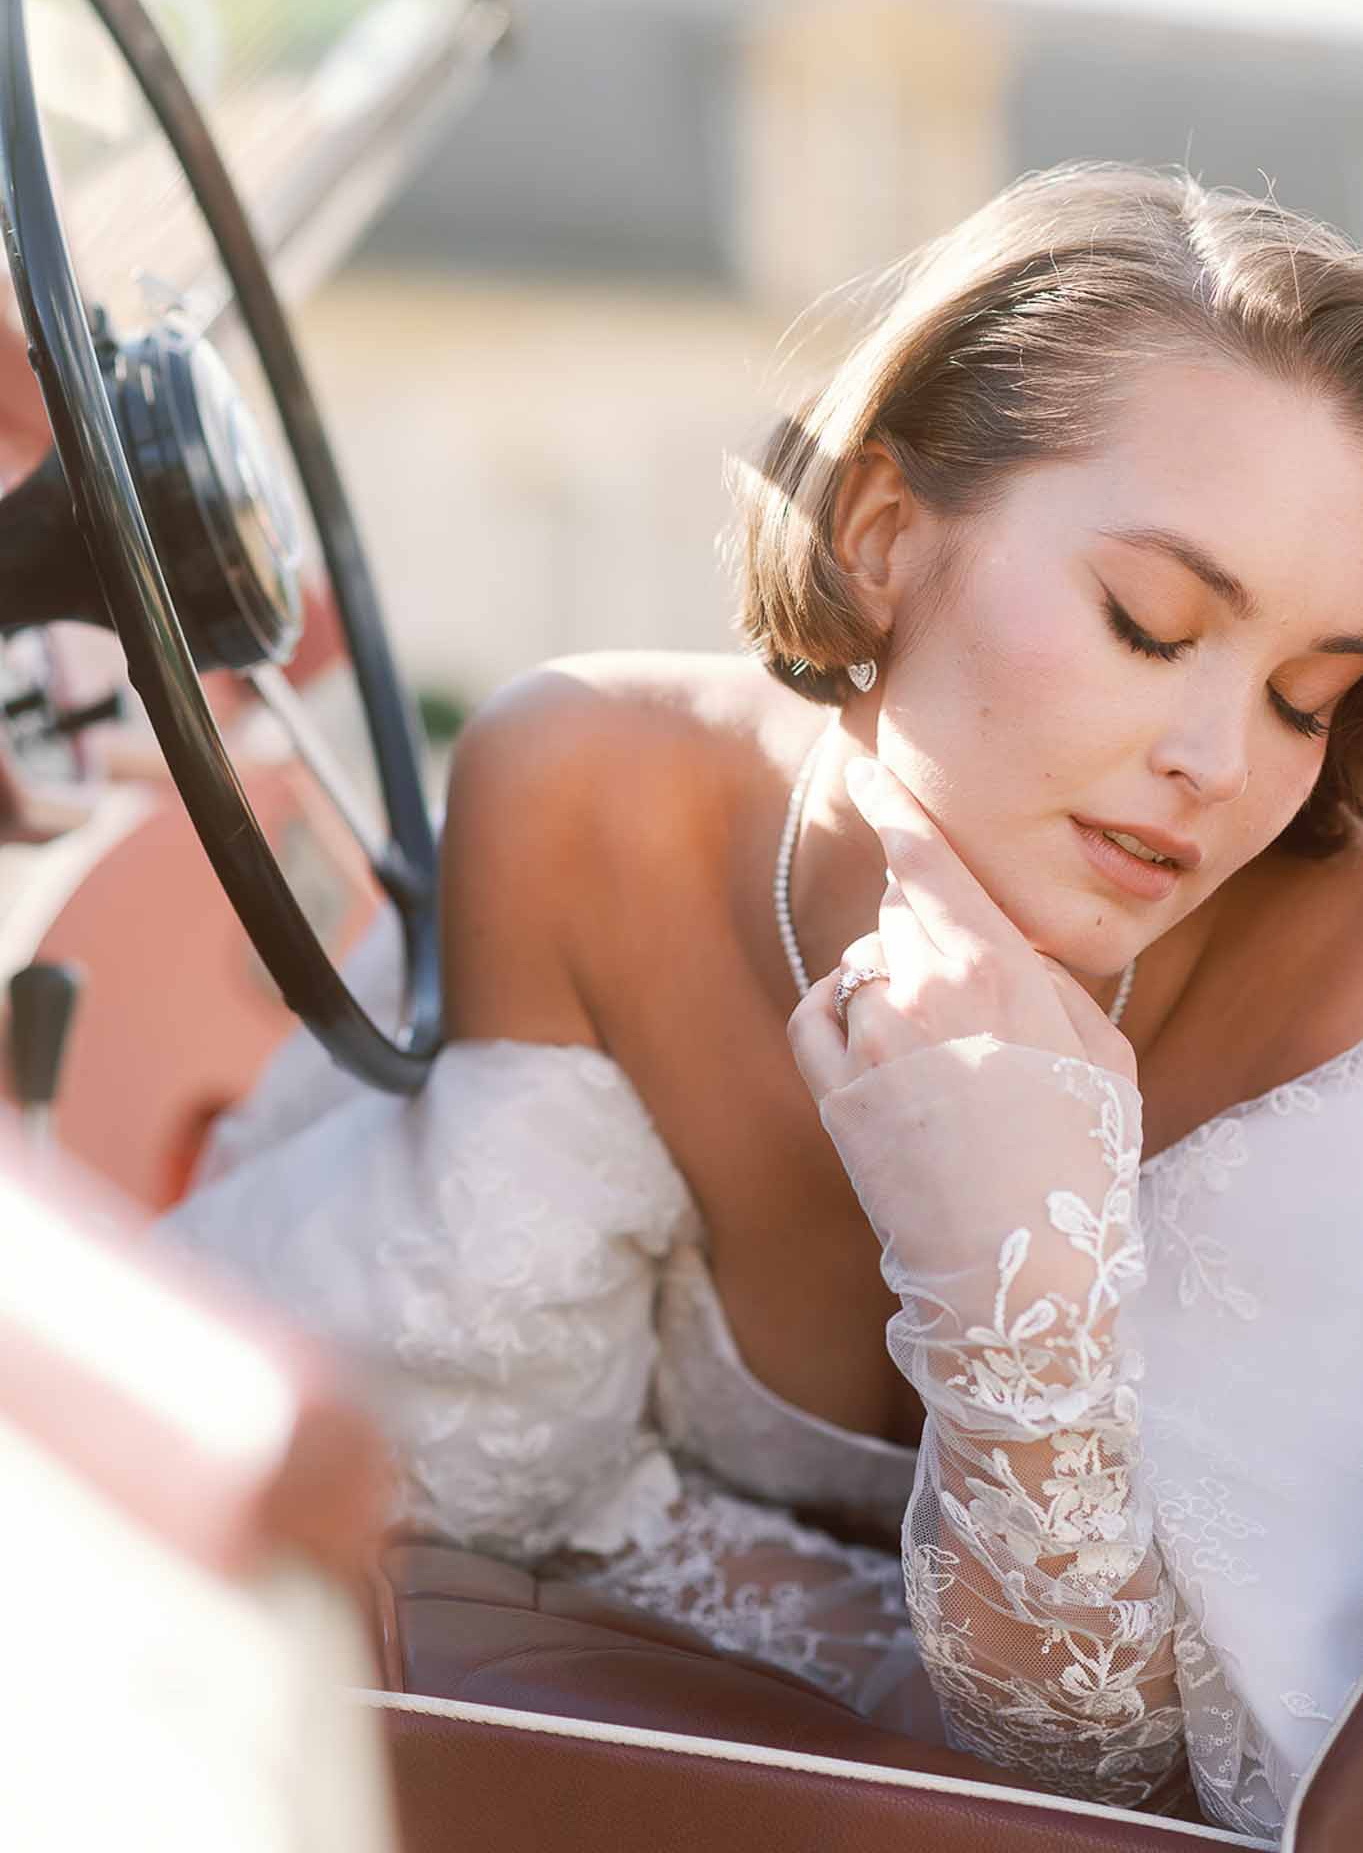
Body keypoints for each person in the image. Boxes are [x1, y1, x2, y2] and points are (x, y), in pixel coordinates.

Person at [162, 163, 1363, 1838]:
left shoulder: (1334, 1003)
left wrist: (1019, 1292)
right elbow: (488, 1472)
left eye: (1312, 698)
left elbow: (1139, 1781)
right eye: (1148, 625)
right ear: (882, 535)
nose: (1220, 769)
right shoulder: (594, 789)